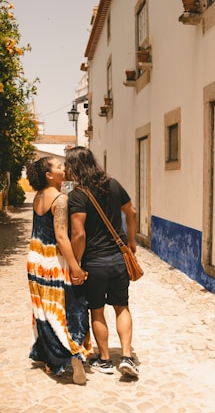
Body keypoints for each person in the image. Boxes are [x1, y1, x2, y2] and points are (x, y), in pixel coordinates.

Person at [65, 146, 139, 377]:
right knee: (122, 307)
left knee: (96, 311)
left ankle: (105, 360)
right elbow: (132, 212)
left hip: (94, 263)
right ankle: (126, 357)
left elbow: (78, 234)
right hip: (118, 259)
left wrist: (76, 264)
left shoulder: (77, 195)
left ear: (75, 167)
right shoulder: (114, 185)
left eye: (68, 164)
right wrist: (131, 241)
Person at [26, 156, 91, 385]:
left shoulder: (39, 196)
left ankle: (50, 356)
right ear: (49, 175)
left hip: (35, 259)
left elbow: (41, 226)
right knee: (68, 309)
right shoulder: (60, 199)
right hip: (53, 261)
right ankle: (73, 354)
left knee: (44, 311)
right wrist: (76, 267)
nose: (64, 168)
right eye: (59, 166)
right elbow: (62, 236)